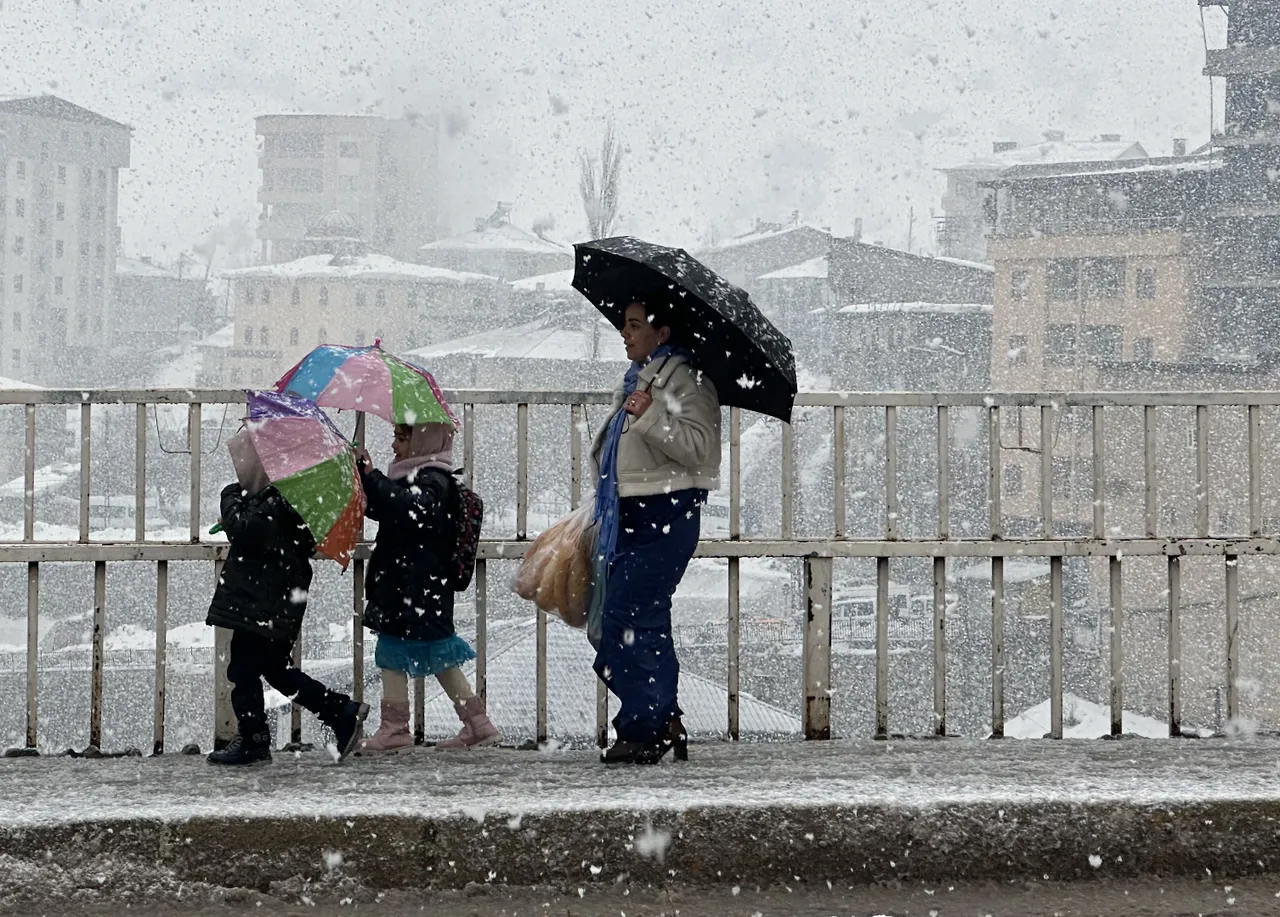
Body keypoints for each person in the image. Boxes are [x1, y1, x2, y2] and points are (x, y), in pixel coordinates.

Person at [590, 300, 721, 765]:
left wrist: (648, 415)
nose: (624, 334)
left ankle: (646, 727)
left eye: (633, 326)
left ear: (661, 332)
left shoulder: (687, 380)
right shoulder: (639, 379)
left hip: (668, 511)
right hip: (632, 513)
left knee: (627, 616)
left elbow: (700, 448)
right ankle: (662, 719)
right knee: (640, 620)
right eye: (624, 325)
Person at [206, 430, 370, 766]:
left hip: (264, 599)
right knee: (273, 669)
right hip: (273, 598)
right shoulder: (284, 497)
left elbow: (247, 530)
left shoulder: (278, 498)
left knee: (244, 669)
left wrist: (230, 498)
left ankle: (255, 739)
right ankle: (340, 711)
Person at [355, 422, 501, 752]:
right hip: (414, 586)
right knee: (433, 653)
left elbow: (409, 510)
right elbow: (390, 508)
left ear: (424, 441)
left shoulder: (432, 479)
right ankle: (477, 724)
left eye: (402, 438)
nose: (394, 446)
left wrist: (375, 476)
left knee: (395, 651)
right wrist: (367, 478)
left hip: (414, 586)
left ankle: (396, 729)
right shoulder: (421, 476)